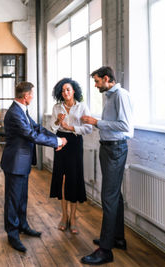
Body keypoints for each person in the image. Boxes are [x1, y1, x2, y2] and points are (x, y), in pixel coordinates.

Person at [1, 81, 67, 252]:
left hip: (22, 162)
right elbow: (31, 135)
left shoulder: (21, 110)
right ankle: (12, 234)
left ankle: (22, 225)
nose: (33, 97)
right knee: (13, 199)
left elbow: (36, 128)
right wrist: (57, 142)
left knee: (22, 198)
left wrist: (55, 139)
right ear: (25, 96)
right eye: (32, 94)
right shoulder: (15, 113)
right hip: (15, 163)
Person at [80, 66, 133, 265]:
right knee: (114, 196)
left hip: (115, 149)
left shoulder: (120, 95)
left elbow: (126, 127)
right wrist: (97, 123)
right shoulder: (110, 96)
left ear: (106, 78)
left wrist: (96, 122)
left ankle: (105, 250)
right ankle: (116, 238)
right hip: (109, 148)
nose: (95, 85)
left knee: (108, 197)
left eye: (96, 81)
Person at [50, 78, 92, 235]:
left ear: (74, 91)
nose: (65, 92)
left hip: (74, 142)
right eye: (62, 90)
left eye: (68, 89)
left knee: (73, 179)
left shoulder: (82, 107)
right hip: (60, 141)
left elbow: (88, 129)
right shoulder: (57, 107)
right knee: (61, 178)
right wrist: (57, 120)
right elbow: (52, 128)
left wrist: (71, 127)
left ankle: (73, 218)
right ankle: (64, 216)